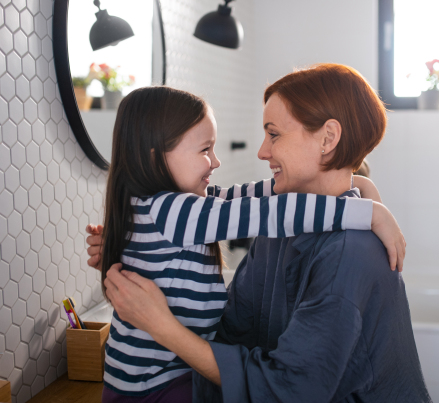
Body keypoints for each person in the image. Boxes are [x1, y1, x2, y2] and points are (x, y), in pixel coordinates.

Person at [94, 85, 407, 402]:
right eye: (205, 150)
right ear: (154, 157)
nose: (215, 162)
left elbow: (253, 194)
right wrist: (368, 214)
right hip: (154, 387)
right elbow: (270, 212)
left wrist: (358, 182)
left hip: (165, 376)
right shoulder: (171, 210)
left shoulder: (174, 207)